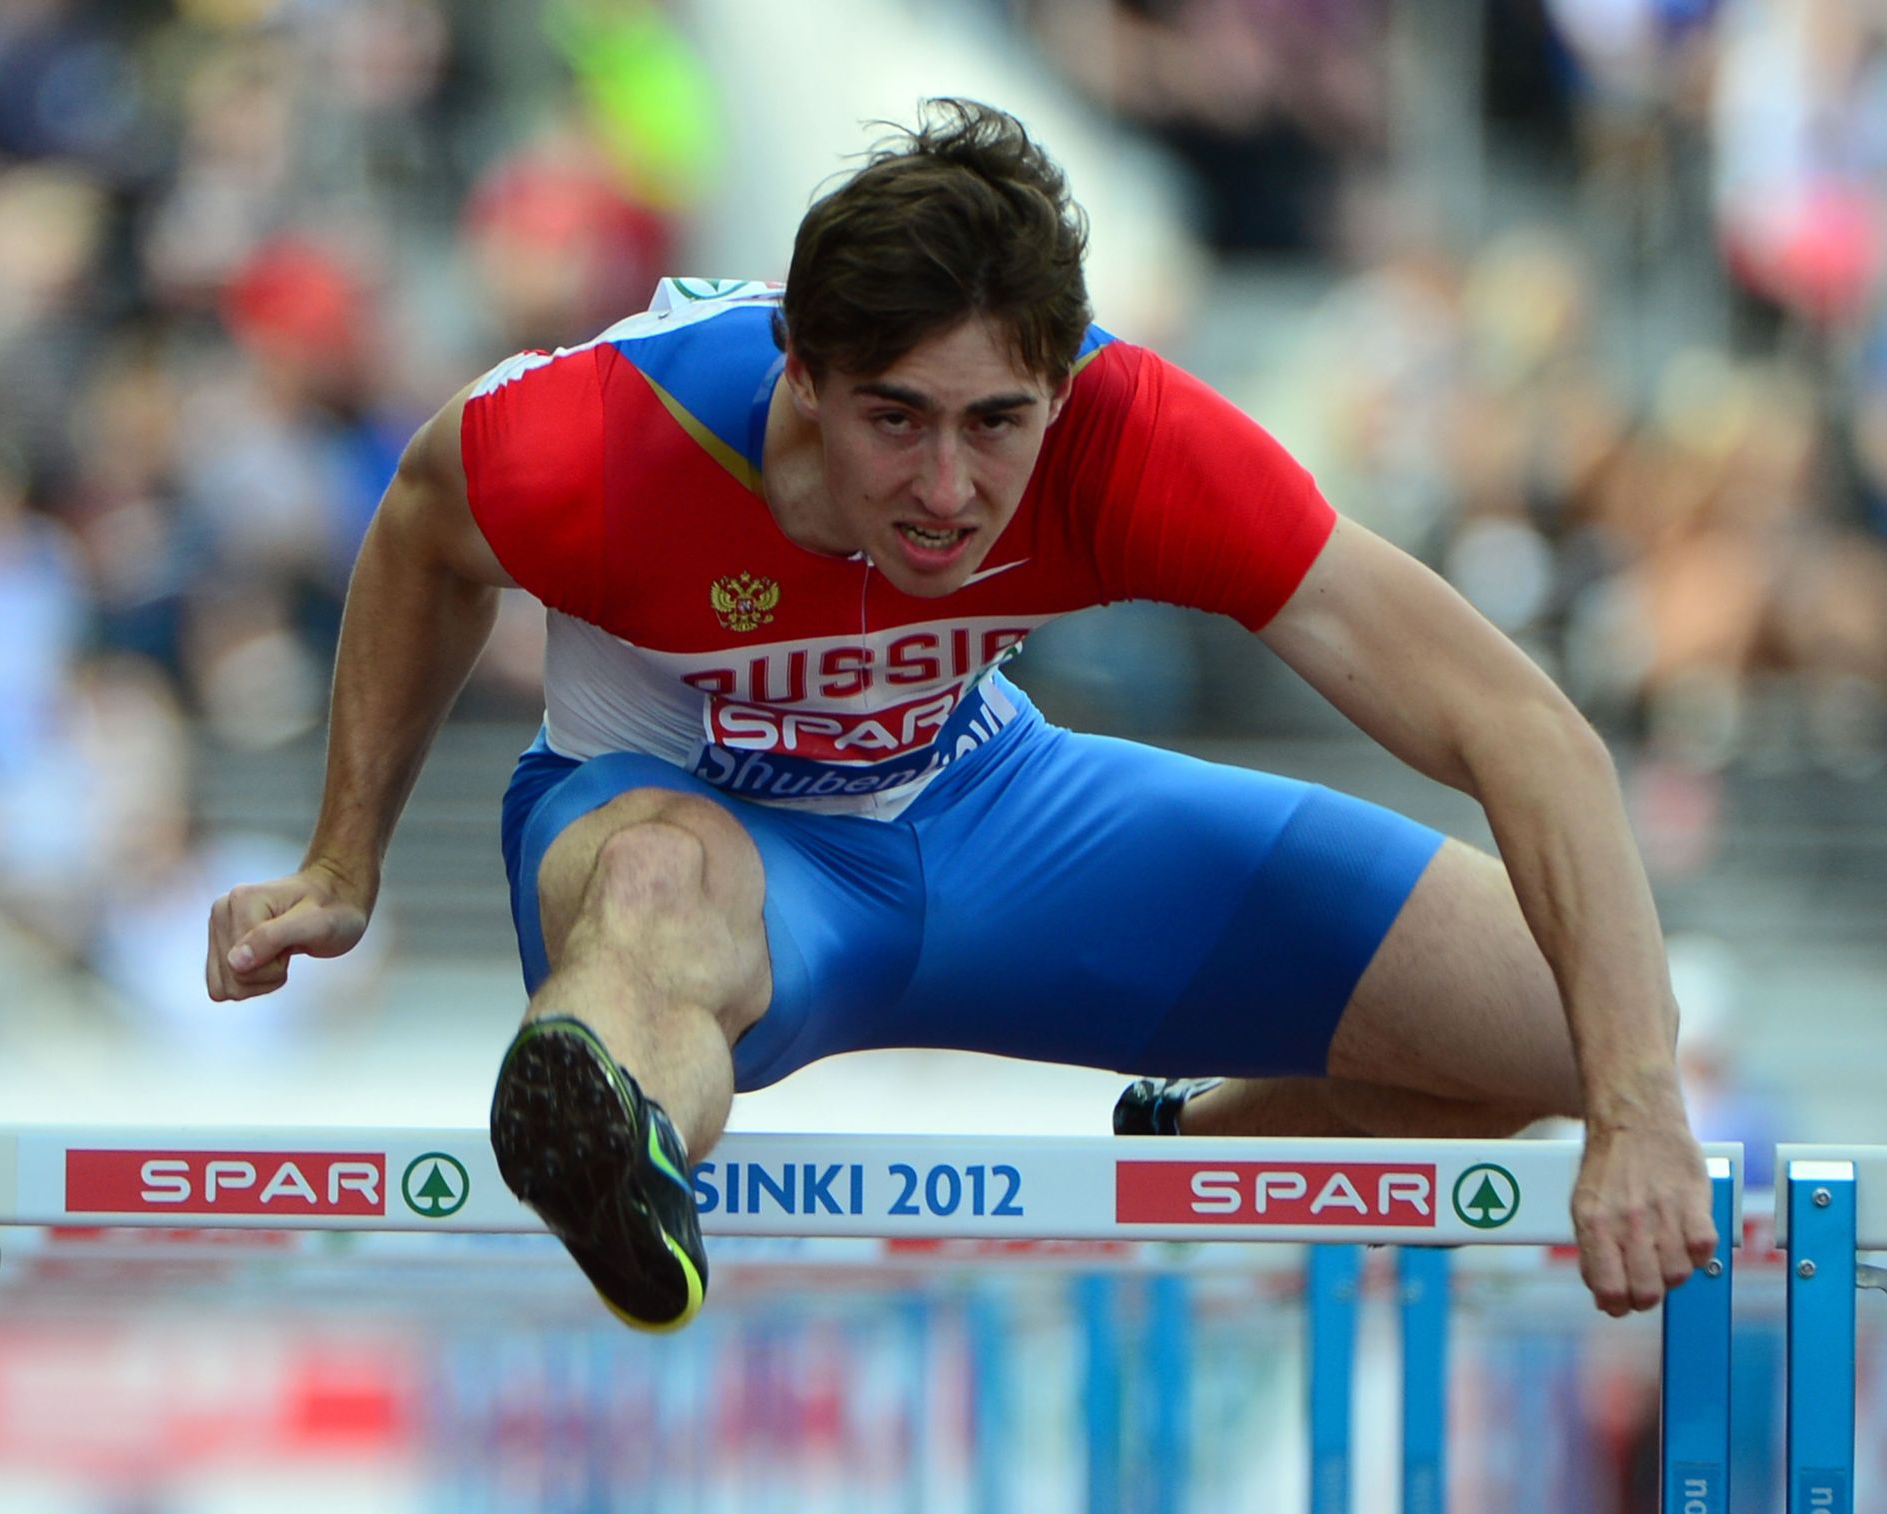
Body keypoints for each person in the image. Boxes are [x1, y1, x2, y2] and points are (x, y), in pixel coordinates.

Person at [205, 98, 1716, 1332]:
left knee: (1570, 1023)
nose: (948, 490)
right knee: (663, 887)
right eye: (896, 420)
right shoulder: (606, 439)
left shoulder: (1132, 440)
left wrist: (1639, 1101)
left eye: (999, 423)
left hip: (995, 814)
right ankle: (607, 1132)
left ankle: (1189, 1167)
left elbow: (1521, 726)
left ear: (1062, 385)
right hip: (700, 849)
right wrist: (346, 864)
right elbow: (419, 528)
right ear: (800, 371)